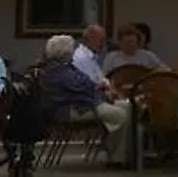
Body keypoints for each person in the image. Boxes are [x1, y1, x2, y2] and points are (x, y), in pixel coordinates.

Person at [38, 34, 133, 167]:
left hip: (84, 103)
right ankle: (117, 158)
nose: (73, 52)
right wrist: (101, 93)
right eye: (72, 49)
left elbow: (86, 85)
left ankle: (128, 154)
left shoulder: (66, 67)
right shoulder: (57, 71)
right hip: (71, 109)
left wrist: (98, 91)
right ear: (65, 51)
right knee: (120, 115)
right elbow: (83, 88)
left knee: (127, 106)